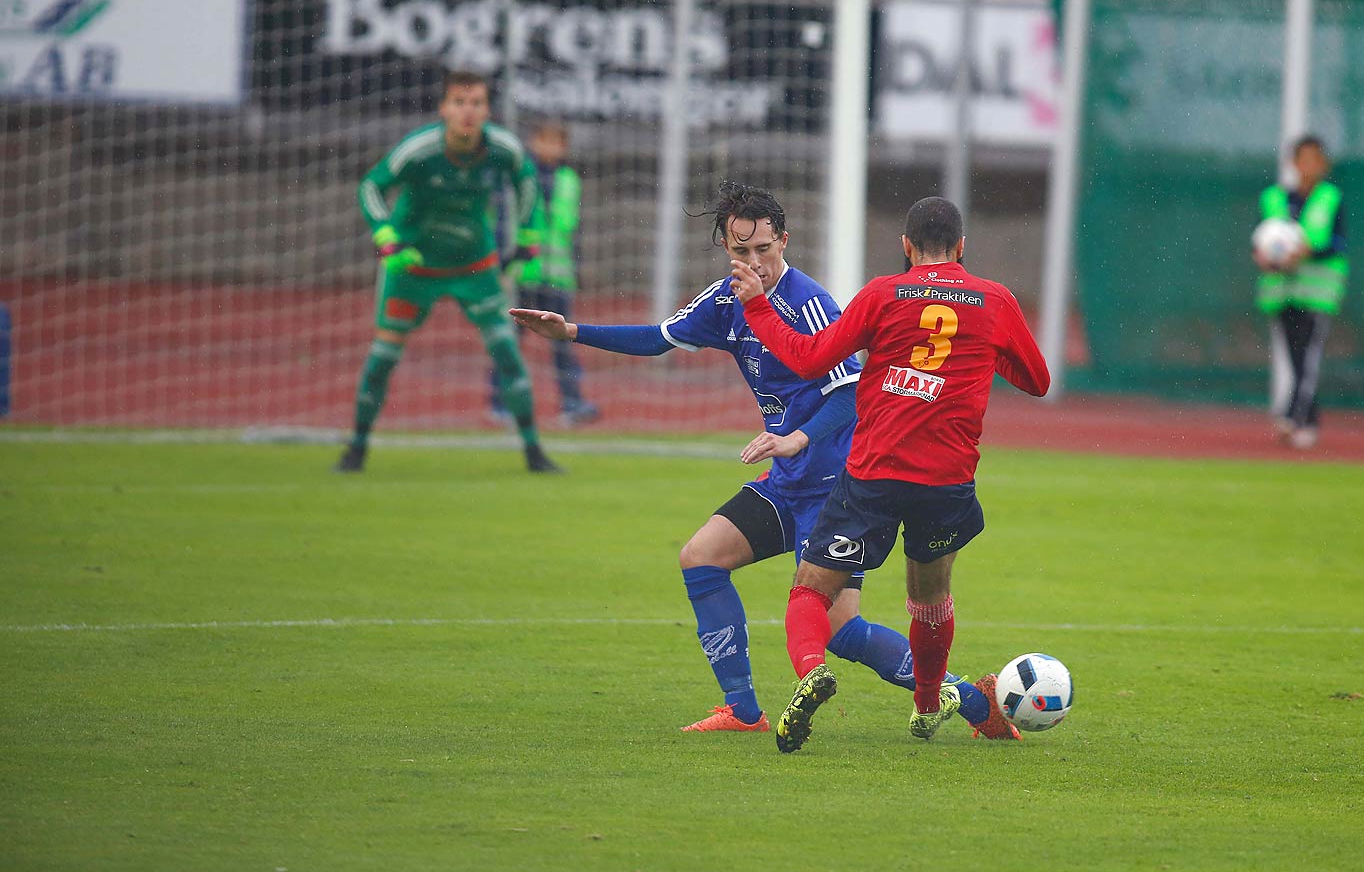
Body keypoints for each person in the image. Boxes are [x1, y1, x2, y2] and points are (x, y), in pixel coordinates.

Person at [512, 181, 1018, 738]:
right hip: (786, 481)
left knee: (841, 629)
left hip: (835, 484)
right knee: (700, 558)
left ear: (784, 241)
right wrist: (573, 332)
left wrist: (798, 438)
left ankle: (975, 704)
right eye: (740, 251)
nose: (753, 263)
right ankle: (743, 711)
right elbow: (658, 338)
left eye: (763, 250)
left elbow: (850, 391)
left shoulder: (811, 304)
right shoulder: (726, 298)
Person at [727, 195, 1051, 753]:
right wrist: (977, 353)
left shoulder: (882, 293)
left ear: (905, 248)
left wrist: (758, 307)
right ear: (962, 247)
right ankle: (928, 706)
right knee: (930, 599)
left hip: (875, 473)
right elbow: (1037, 380)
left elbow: (808, 359)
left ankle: (810, 671)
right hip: (946, 480)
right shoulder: (995, 300)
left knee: (811, 589)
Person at [336, 70, 560, 474]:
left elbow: (526, 180)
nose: (468, 111)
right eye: (459, 102)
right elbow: (371, 186)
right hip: (414, 268)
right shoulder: (420, 150)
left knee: (507, 353)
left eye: (476, 103)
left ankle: (533, 452)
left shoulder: (502, 148)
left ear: (487, 109)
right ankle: (356, 449)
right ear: (443, 109)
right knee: (384, 356)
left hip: (475, 268)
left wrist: (528, 239)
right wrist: (387, 239)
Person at [488, 121, 600, 427]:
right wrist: (504, 263)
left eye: (557, 142)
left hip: (557, 274)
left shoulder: (568, 179)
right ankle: (500, 402)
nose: (551, 148)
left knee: (564, 339)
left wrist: (575, 268)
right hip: (525, 272)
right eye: (545, 140)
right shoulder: (520, 175)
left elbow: (571, 229)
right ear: (534, 141)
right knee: (511, 339)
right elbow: (505, 220)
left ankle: (571, 402)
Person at [1255, 135, 1346, 449]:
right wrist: (1267, 258)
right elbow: (1260, 241)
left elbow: (1338, 243)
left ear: (1323, 165)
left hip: (1318, 292)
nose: (1308, 166)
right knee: (1296, 359)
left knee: (1308, 357)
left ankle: (1291, 416)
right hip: (1281, 291)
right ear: (1293, 164)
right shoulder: (1274, 199)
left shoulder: (1331, 198)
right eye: (1302, 159)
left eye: (1314, 159)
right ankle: (1309, 420)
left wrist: (1309, 251)